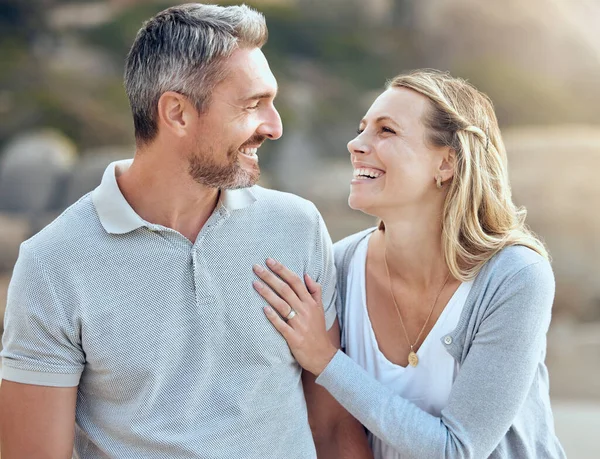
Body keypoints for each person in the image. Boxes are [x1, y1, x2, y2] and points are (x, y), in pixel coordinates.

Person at [0, 4, 372, 458]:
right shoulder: (53, 263)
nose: (274, 127)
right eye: (253, 105)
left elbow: (333, 428)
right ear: (176, 113)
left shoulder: (297, 227)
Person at [253, 69, 566, 458]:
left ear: (446, 164)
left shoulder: (513, 277)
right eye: (362, 128)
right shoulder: (339, 267)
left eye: (386, 131)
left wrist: (327, 361)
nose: (355, 144)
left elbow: (458, 450)